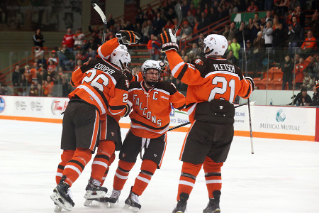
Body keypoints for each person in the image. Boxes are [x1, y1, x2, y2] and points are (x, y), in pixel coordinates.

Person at [158, 29, 254, 213]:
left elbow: (181, 72)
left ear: (210, 48)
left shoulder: (203, 64)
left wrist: (170, 50)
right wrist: (249, 81)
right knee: (214, 166)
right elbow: (246, 91)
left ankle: (181, 204)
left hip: (203, 124)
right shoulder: (236, 70)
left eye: (205, 46)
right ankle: (214, 203)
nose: (203, 48)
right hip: (226, 126)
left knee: (191, 165)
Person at [50, 30, 140, 212]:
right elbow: (115, 109)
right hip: (90, 110)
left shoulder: (94, 62)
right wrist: (128, 107)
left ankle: (60, 188)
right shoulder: (121, 78)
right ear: (122, 61)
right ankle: (64, 188)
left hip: (72, 105)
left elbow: (75, 79)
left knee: (68, 153)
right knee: (84, 153)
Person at [91, 60, 186, 211]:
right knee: (123, 166)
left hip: (157, 136)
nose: (154, 76)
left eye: (156, 73)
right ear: (143, 73)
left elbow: (183, 104)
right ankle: (115, 194)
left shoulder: (168, 88)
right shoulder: (133, 88)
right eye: (150, 73)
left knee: (149, 168)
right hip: (136, 132)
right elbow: (122, 105)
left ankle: (134, 195)